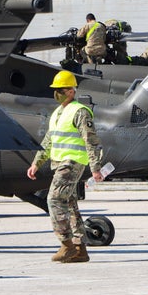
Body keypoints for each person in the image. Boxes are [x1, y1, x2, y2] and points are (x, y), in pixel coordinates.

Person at [26, 70, 104, 263]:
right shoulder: (58, 113)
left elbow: (91, 140)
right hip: (60, 162)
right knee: (69, 204)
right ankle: (80, 249)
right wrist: (36, 162)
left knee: (53, 199)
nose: (57, 93)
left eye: (61, 90)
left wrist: (95, 167)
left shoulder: (79, 111)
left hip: (73, 161)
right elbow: (49, 140)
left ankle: (66, 245)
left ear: (71, 91)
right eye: (56, 90)